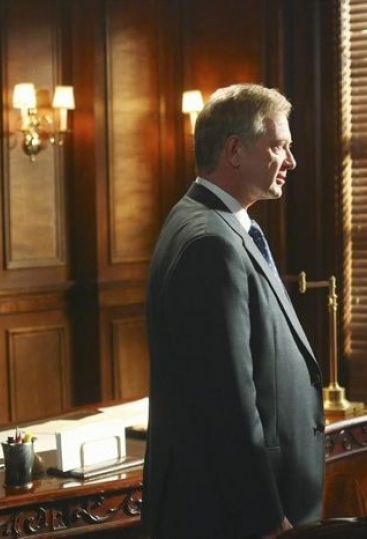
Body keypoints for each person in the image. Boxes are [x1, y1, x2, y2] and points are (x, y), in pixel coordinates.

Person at [143, 83, 325, 539]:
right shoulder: (210, 241)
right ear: (234, 151)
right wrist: (263, 514)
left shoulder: (213, 222)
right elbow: (226, 399)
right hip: (233, 515)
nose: (291, 161)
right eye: (279, 146)